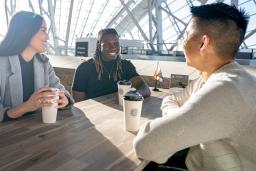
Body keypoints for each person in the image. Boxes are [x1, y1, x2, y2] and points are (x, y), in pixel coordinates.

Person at [134, 2, 256, 171]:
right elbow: (172, 98)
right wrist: (181, 118)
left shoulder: (224, 90)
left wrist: (181, 121)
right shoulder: (215, 77)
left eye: (186, 35)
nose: (182, 43)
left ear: (203, 43)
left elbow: (145, 145)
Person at [0, 11, 73, 122]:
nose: (48, 37)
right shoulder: (2, 63)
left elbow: (61, 91)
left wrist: (64, 100)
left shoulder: (44, 63)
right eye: (43, 30)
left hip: (38, 130)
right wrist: (27, 106)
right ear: (25, 32)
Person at [72, 28, 150, 101]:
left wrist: (136, 95)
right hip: (93, 113)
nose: (113, 47)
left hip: (119, 112)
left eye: (116, 43)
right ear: (98, 46)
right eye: (107, 44)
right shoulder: (84, 68)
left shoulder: (126, 66)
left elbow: (144, 87)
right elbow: (78, 102)